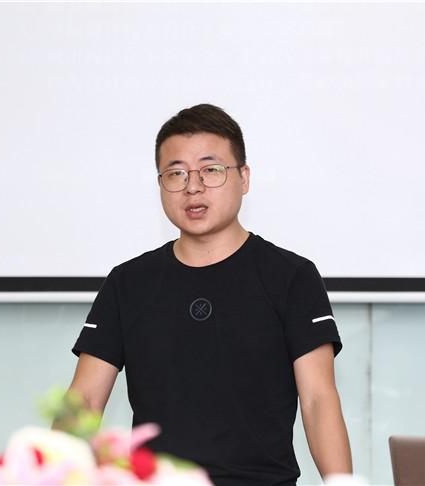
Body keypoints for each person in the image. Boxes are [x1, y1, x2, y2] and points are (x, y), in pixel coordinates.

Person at [63, 103, 353, 485]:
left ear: (244, 178)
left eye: (211, 170)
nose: (193, 187)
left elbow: (318, 399)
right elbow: (84, 399)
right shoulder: (128, 282)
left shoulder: (291, 277)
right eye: (176, 173)